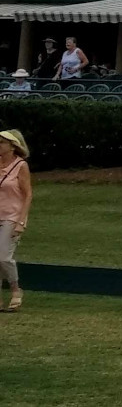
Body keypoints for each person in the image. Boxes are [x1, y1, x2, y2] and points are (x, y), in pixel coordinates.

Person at [0, 129, 31, 312]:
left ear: (12, 146)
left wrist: (21, 221)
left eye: (2, 143)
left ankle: (15, 289)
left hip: (12, 216)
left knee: (3, 256)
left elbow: (28, 195)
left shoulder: (21, 166)